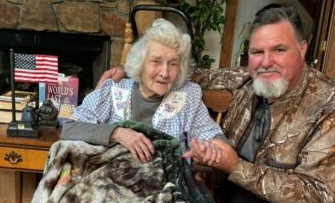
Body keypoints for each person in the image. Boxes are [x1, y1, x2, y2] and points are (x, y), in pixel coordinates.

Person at [98, 7, 335, 203]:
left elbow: (313, 196)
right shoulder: (244, 78)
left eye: (279, 50)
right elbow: (185, 74)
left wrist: (234, 166)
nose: (266, 62)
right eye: (257, 52)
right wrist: (131, 69)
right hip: (249, 202)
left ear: (302, 49)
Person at [62, 18, 225, 162]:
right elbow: (70, 128)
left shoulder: (187, 96)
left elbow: (215, 137)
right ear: (140, 64)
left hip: (165, 187)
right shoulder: (114, 90)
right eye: (156, 61)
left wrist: (210, 148)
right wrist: (116, 133)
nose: (165, 73)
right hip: (112, 183)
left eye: (173, 64)